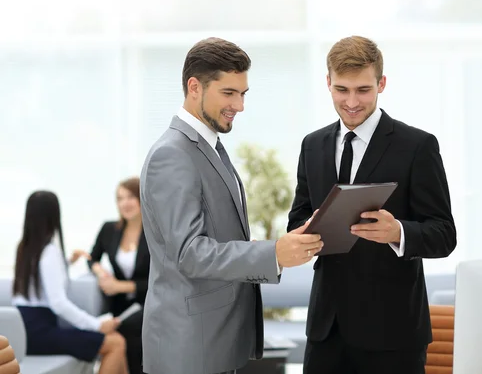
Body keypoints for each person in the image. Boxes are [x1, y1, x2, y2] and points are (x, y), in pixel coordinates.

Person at [139, 37, 323, 374]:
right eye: (229, 93)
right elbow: (189, 253)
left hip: (211, 344)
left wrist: (269, 248)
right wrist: (272, 255)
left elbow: (213, 237)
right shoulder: (172, 155)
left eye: (243, 94)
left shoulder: (208, 147)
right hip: (189, 350)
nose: (239, 105)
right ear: (194, 87)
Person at [287, 35, 457, 374]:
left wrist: (398, 232)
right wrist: (305, 231)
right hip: (326, 330)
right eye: (342, 89)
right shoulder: (312, 145)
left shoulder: (417, 146)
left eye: (363, 90)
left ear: (381, 83)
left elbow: (444, 234)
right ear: (328, 83)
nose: (351, 101)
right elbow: (298, 217)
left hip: (393, 333)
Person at [11, 191, 129, 374]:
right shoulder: (50, 251)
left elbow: (40, 277)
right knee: (116, 343)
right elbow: (58, 303)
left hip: (22, 330)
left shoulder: (24, 248)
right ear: (54, 216)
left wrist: (66, 262)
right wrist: (96, 324)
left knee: (115, 343)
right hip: (39, 332)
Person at [72, 177, 149, 374]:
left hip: (150, 302)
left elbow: (164, 279)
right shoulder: (109, 229)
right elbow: (92, 258)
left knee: (127, 330)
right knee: (117, 330)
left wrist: (121, 286)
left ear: (143, 197)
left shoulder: (154, 233)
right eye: (120, 198)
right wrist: (99, 272)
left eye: (130, 196)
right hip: (120, 305)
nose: (125, 203)